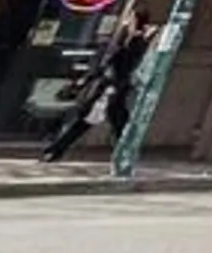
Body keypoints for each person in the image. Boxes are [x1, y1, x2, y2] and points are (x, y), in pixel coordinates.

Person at [38, 9, 152, 163]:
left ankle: (57, 150)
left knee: (105, 124)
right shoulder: (128, 39)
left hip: (112, 89)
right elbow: (108, 64)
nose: (126, 21)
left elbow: (120, 63)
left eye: (130, 17)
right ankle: (56, 149)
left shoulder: (135, 41)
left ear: (136, 20)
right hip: (110, 88)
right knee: (98, 123)